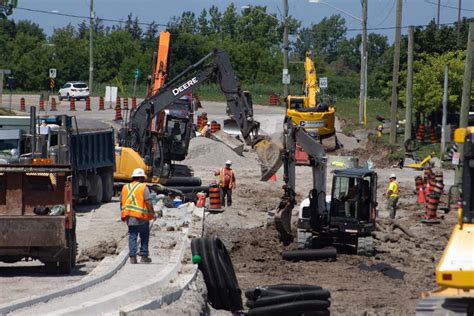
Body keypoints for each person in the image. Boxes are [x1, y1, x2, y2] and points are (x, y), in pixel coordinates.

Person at [121, 168, 155, 264]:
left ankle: (132, 257)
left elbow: (121, 202)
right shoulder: (143, 187)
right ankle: (144, 255)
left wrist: (123, 215)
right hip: (141, 216)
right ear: (140, 177)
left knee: (132, 236)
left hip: (129, 216)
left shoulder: (125, 187)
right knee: (144, 235)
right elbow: (148, 201)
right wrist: (152, 213)